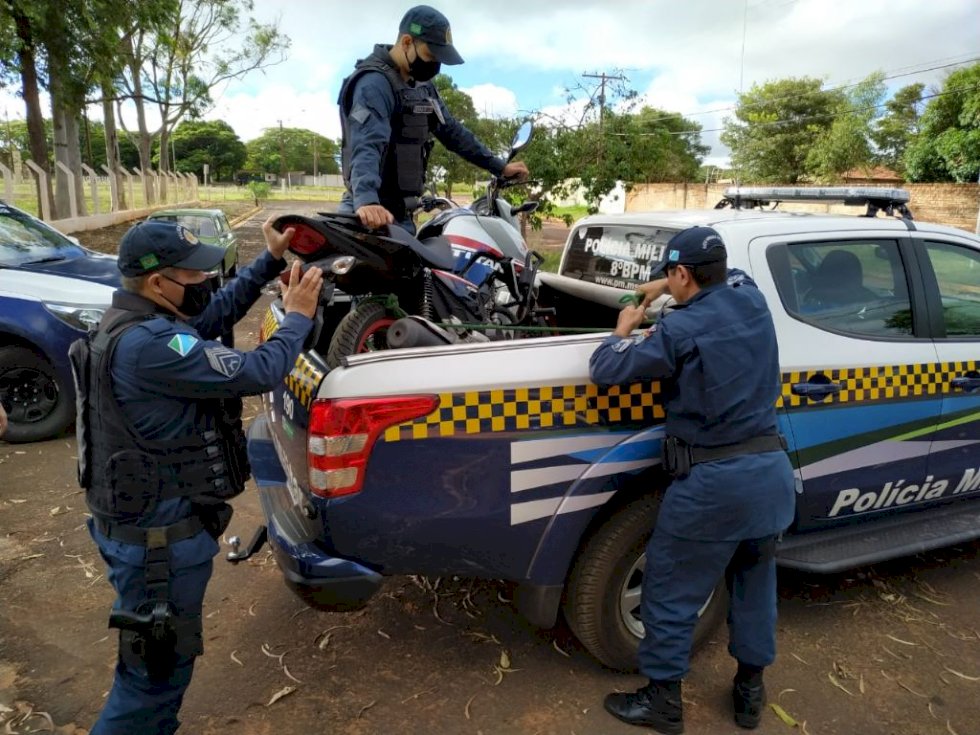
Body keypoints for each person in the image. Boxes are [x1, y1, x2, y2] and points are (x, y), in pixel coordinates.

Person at [69, 218, 323, 734]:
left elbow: (211, 315)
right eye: (194, 275)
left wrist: (268, 262)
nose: (205, 283)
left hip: (141, 533)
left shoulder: (132, 324)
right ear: (158, 283)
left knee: (159, 669)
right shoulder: (152, 346)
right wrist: (296, 318)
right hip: (157, 546)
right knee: (151, 678)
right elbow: (257, 371)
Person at [589, 226, 795, 734]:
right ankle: (749, 693)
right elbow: (734, 276)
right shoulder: (752, 301)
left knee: (670, 588)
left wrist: (624, 327)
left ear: (682, 273)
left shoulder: (678, 332)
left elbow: (606, 369)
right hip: (769, 478)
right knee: (754, 584)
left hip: (713, 486)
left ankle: (662, 700)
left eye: (670, 274)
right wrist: (665, 288)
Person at [337, 5, 528, 232]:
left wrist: (499, 167)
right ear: (407, 42)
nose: (434, 65)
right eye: (430, 55)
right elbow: (368, 142)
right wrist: (367, 199)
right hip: (372, 217)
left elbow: (453, 133)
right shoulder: (374, 84)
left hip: (401, 217)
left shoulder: (423, 88)